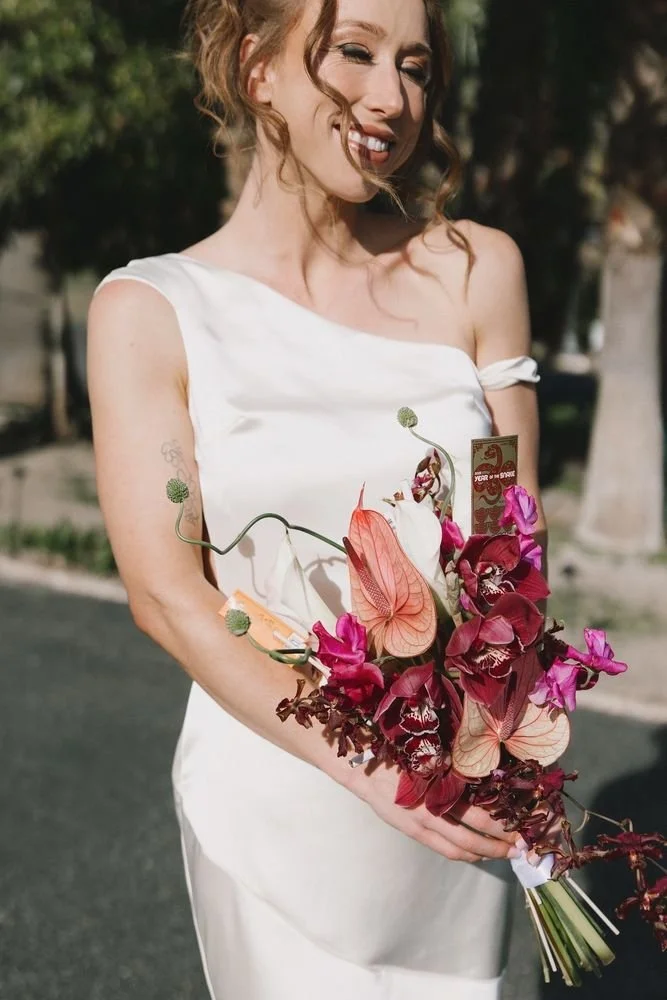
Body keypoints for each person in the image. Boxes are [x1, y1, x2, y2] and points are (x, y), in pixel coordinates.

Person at [87, 0, 546, 996]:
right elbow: (169, 595)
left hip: (450, 815)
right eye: (355, 52)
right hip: (278, 809)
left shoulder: (476, 273)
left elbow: (508, 525)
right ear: (259, 70)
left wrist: (513, 714)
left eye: (417, 67)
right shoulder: (151, 311)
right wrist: (373, 772)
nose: (392, 98)